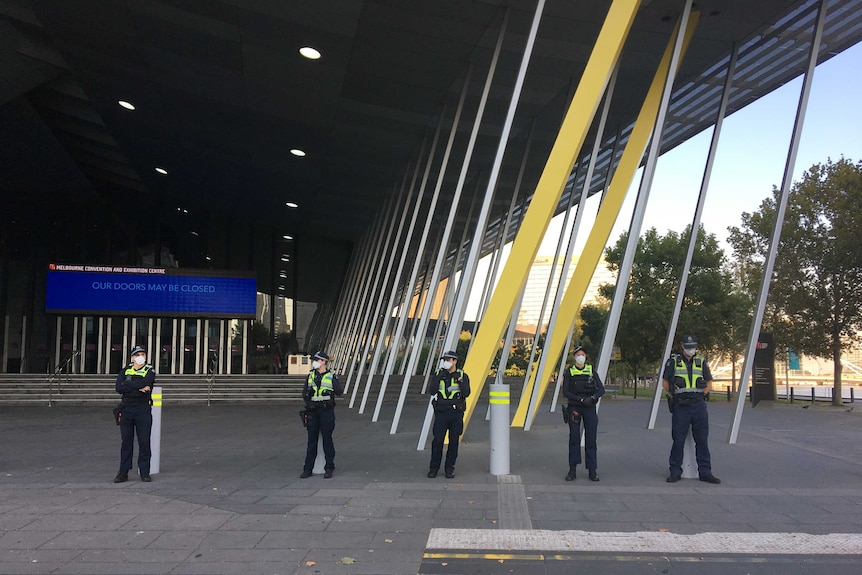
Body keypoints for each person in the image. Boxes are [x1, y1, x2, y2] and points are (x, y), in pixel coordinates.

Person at [662, 335, 721, 484]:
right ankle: (675, 471)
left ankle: (705, 472)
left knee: (702, 440)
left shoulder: (701, 361)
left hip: (698, 405)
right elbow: (665, 382)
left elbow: (709, 382)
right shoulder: (673, 361)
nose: (691, 349)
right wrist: (676, 394)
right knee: (678, 440)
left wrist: (701, 394)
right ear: (682, 346)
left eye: (693, 346)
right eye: (688, 346)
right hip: (681, 406)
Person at [561, 345, 605, 482]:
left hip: (589, 407)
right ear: (575, 357)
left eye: (583, 354)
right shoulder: (570, 372)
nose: (581, 357)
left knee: (591, 439)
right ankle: (572, 470)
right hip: (575, 406)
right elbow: (566, 392)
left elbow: (601, 389)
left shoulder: (591, 370)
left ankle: (592, 470)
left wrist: (591, 399)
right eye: (578, 354)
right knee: (574, 439)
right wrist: (579, 399)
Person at [114, 345, 155, 483]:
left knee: (144, 442)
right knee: (126, 442)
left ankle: (144, 472)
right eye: (137, 354)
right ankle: (123, 472)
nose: (140, 357)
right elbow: (118, 388)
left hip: (142, 409)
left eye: (143, 354)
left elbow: (147, 382)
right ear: (132, 357)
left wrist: (128, 385)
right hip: (126, 409)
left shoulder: (149, 370)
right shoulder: (125, 370)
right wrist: (138, 387)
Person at [428, 350, 471, 479]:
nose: (446, 362)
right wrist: (440, 375)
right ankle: (433, 469)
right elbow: (432, 390)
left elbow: (466, 392)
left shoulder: (462, 375)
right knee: (438, 441)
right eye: (445, 360)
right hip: (441, 412)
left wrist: (459, 379)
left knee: (454, 442)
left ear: (455, 361)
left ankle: (449, 469)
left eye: (449, 360)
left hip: (456, 413)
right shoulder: (438, 374)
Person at [300, 351, 343, 478]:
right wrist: (309, 405)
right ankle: (308, 468)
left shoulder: (331, 376)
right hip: (313, 411)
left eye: (317, 360)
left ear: (323, 362)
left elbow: (339, 391)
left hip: (326, 411)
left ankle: (329, 467)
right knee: (311, 441)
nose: (315, 362)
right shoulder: (310, 376)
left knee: (327, 439)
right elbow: (304, 393)